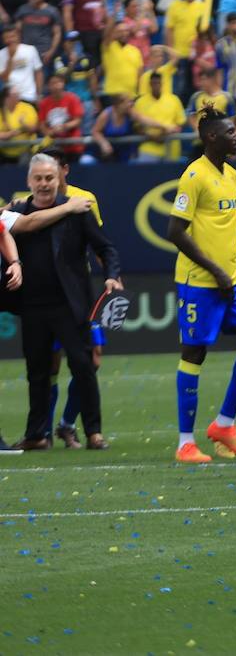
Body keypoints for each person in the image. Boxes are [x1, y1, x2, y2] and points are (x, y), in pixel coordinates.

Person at [165, 109, 236, 464]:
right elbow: (175, 232)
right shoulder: (194, 176)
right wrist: (214, 270)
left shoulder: (232, 174)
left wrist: (234, 272)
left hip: (233, 278)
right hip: (199, 281)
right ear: (211, 137)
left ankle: (224, 424)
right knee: (194, 354)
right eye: (230, 132)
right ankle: (185, 442)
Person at [10, 153, 119, 450]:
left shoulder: (78, 211)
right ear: (28, 181)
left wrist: (112, 275)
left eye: (50, 178)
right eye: (39, 178)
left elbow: (105, 247)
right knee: (38, 372)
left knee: (83, 366)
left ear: (59, 179)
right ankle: (37, 435)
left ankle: (93, 432)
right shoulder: (19, 212)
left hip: (70, 305)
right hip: (32, 305)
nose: (44, 184)